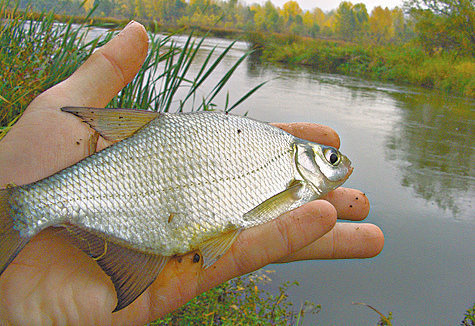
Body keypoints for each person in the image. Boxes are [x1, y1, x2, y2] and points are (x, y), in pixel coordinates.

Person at [0, 21, 384, 325]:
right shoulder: (290, 164)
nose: (340, 165)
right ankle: (22, 209)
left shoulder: (280, 154)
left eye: (333, 160)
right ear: (306, 157)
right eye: (331, 159)